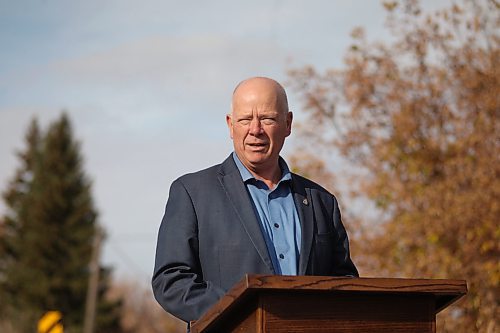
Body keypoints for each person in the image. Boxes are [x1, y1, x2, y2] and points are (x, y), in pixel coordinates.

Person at [152, 77, 358, 325]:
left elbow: (345, 285)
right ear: (230, 125)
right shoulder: (192, 193)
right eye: (245, 119)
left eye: (268, 118)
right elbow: (171, 280)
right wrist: (241, 314)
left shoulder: (322, 202)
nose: (256, 129)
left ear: (288, 123)